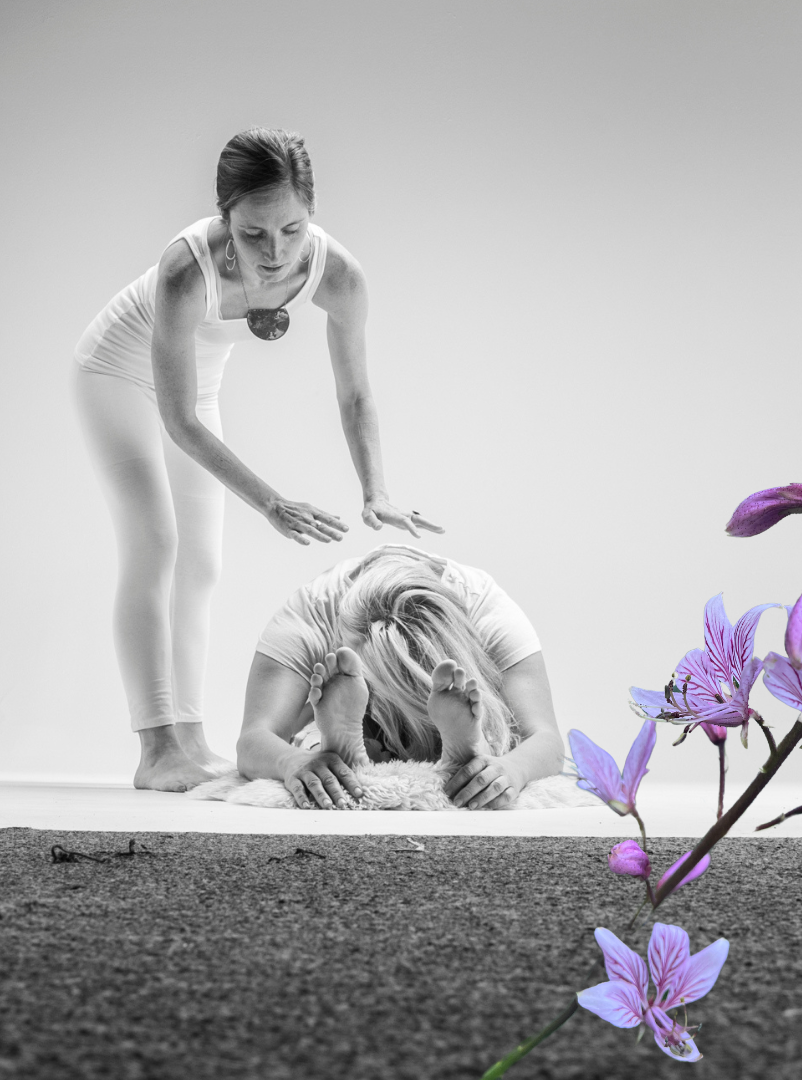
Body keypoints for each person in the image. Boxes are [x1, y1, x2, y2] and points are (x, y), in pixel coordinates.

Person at [73, 127, 441, 793]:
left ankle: (189, 739)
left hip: (195, 383)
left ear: (312, 215)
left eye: (292, 229)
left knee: (203, 561)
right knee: (155, 544)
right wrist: (271, 502)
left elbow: (356, 393)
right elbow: (178, 423)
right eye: (252, 234)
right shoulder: (187, 270)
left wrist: (376, 489)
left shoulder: (339, 276)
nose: (275, 252)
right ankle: (157, 748)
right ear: (225, 221)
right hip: (115, 375)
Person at [236, 545, 565, 810]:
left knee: (494, 748)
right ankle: (339, 746)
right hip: (361, 712)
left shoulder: (488, 611)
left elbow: (546, 739)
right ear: (341, 633)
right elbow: (254, 739)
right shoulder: (311, 614)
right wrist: (293, 761)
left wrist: (513, 769)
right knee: (315, 745)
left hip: (440, 710)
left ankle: (463, 747)